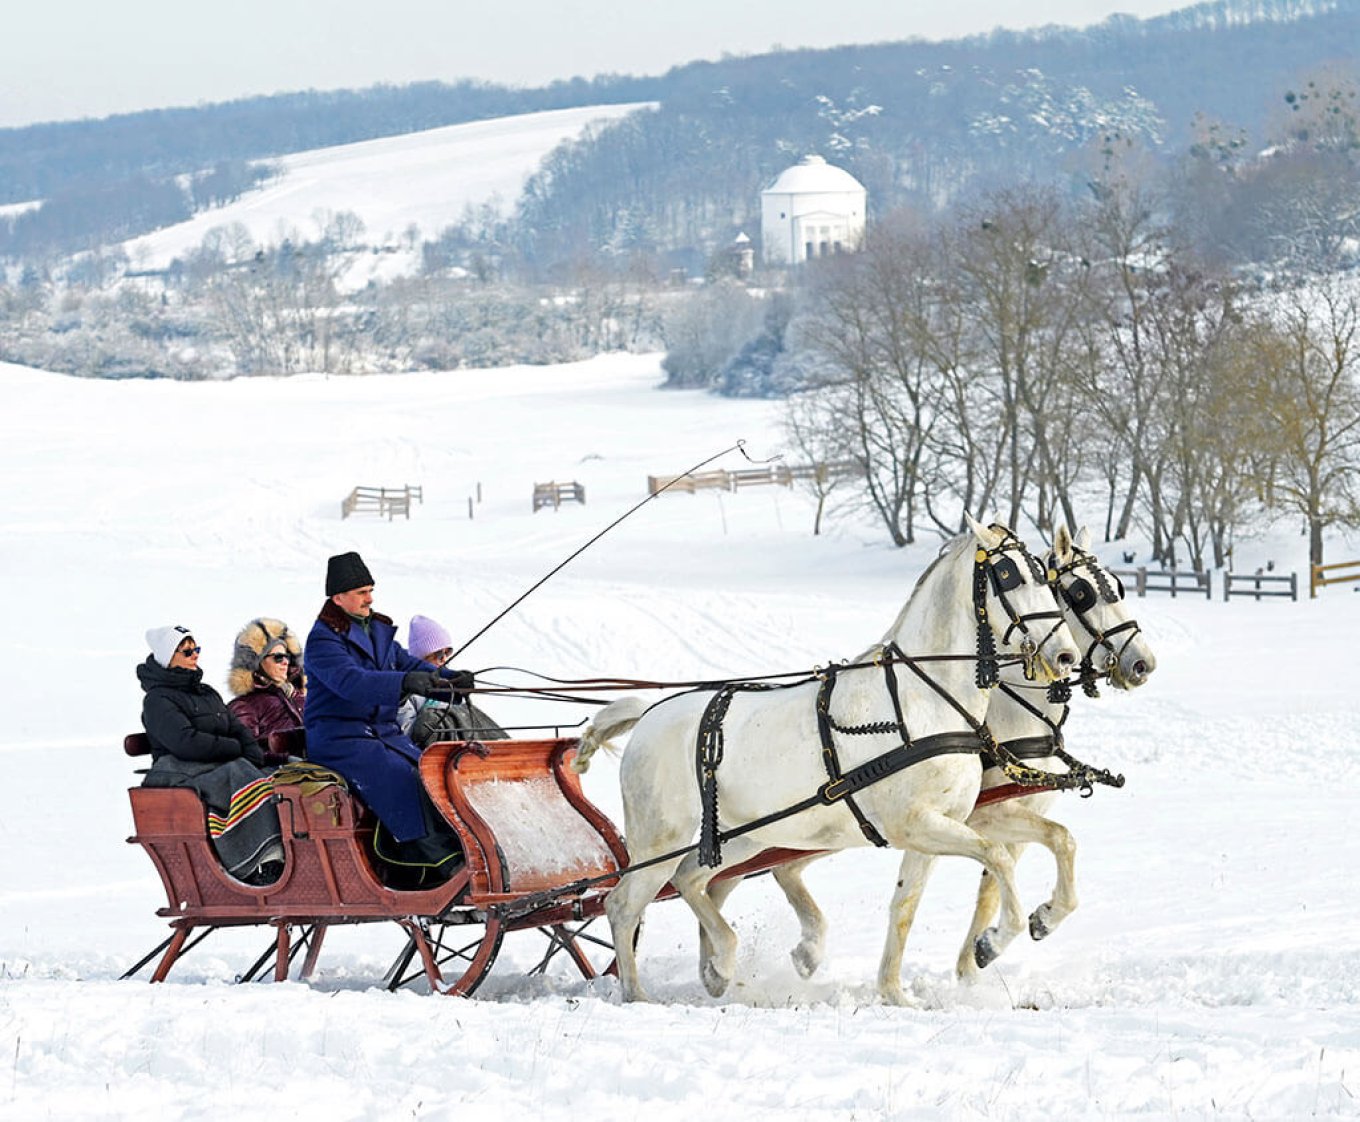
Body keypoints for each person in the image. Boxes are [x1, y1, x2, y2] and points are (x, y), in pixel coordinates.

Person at [302, 552, 477, 886]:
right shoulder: (323, 640)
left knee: (433, 772)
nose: (369, 598)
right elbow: (352, 682)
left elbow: (410, 665)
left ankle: (463, 850)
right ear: (338, 598)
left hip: (382, 734)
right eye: (361, 592)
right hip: (341, 740)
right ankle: (439, 862)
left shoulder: (377, 631)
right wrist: (403, 682)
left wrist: (451, 682)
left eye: (370, 590)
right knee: (402, 778)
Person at [137, 624, 285, 886]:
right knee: (246, 780)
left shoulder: (206, 692)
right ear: (167, 657)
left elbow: (236, 729)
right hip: (182, 771)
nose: (195, 654)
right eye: (186, 651)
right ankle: (261, 860)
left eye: (196, 649)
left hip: (216, 764)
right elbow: (186, 743)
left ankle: (294, 850)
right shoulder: (158, 700)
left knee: (283, 775)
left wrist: (251, 752)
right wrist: (235, 750)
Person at [398, 613, 508, 748]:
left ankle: (503, 745)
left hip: (459, 741)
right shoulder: (409, 686)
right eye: (439, 654)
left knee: (467, 711)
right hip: (430, 748)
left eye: (448, 652)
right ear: (422, 656)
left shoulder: (446, 680)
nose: (444, 659)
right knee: (435, 716)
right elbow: (405, 730)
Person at [226, 617, 306, 743]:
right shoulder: (244, 706)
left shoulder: (303, 698)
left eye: (287, 657)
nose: (285, 662)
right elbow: (247, 750)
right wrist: (283, 748)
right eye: (278, 657)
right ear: (257, 663)